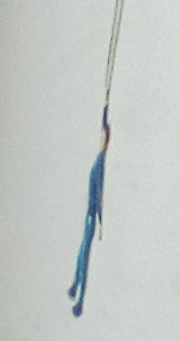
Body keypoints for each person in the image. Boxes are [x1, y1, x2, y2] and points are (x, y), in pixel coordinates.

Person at [70, 112, 109, 313]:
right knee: (83, 252)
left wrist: (100, 220)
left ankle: (78, 293)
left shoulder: (99, 164)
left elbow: (98, 192)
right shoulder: (98, 162)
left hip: (91, 216)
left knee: (84, 252)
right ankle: (76, 288)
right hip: (90, 216)